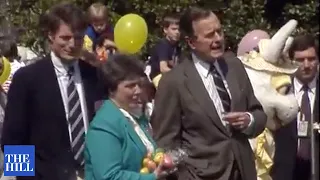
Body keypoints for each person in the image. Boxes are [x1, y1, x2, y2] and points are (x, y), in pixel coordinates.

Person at [151, 7, 267, 180]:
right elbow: (166, 142)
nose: (218, 39)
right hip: (200, 175)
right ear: (191, 42)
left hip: (242, 170)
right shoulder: (173, 81)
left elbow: (259, 114)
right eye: (210, 35)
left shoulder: (234, 66)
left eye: (219, 31)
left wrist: (249, 120)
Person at [1, 3, 104, 180]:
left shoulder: (94, 77)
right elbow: (13, 139)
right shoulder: (27, 79)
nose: (72, 44)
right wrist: (25, 178)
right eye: (65, 37)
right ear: (51, 36)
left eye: (78, 38)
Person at [85, 54, 172, 180]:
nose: (138, 91)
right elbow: (109, 176)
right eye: (130, 86)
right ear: (111, 89)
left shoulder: (134, 116)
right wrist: (152, 177)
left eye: (140, 85)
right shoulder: (104, 125)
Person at [272, 34, 319, 180]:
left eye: (311, 59)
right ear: (291, 62)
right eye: (300, 60)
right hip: (285, 172)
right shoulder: (279, 91)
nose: (306, 65)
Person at [149, 14, 181, 82]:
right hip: (158, 77)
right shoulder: (163, 45)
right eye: (174, 29)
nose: (177, 32)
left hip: (169, 77)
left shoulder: (177, 47)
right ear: (165, 30)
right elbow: (163, 68)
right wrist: (180, 74)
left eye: (179, 29)